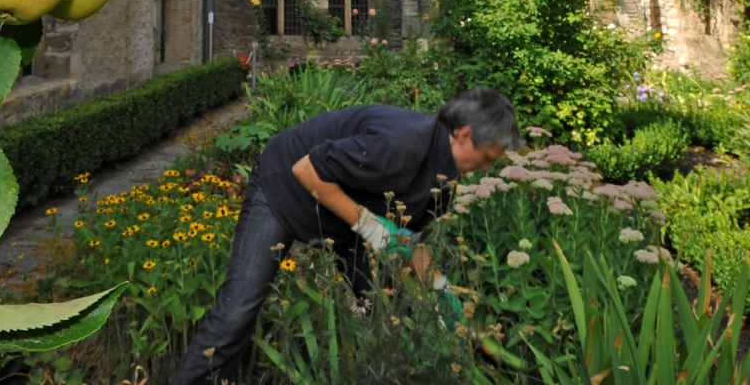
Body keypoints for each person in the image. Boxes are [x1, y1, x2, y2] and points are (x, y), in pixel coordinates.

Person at [170, 87, 519, 385]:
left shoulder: (444, 182)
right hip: (284, 188)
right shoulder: (402, 143)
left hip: (344, 215)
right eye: (487, 157)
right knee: (236, 313)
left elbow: (408, 242)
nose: (486, 168)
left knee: (388, 310)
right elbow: (305, 169)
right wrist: (371, 227)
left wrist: (444, 294)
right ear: (465, 134)